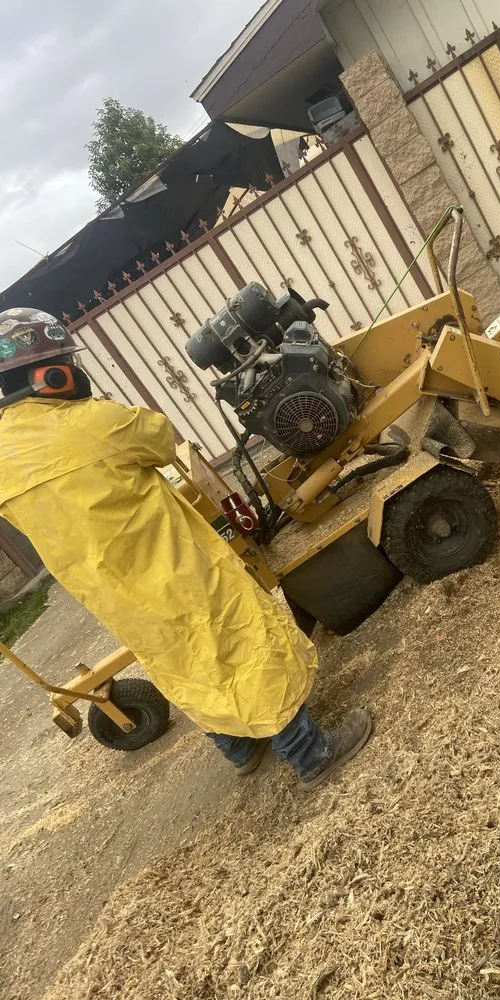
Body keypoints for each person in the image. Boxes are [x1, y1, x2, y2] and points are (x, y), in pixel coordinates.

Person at [0, 308, 371, 789]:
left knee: (184, 664)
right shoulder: (90, 424)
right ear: (51, 375)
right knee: (240, 641)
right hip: (174, 569)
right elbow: (157, 439)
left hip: (116, 595)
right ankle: (310, 754)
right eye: (67, 363)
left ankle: (239, 748)